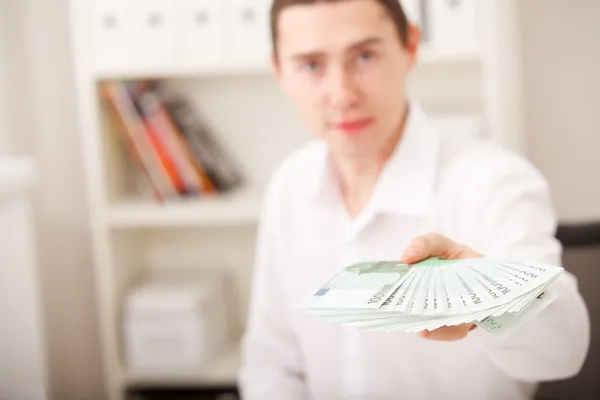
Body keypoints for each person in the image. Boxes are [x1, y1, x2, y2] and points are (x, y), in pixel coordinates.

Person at [237, 0, 591, 399]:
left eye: (365, 56)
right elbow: (270, 360)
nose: (342, 94)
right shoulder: (289, 186)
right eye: (311, 65)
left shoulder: (495, 181)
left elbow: (565, 351)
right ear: (279, 70)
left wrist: (490, 295)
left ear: (410, 47)